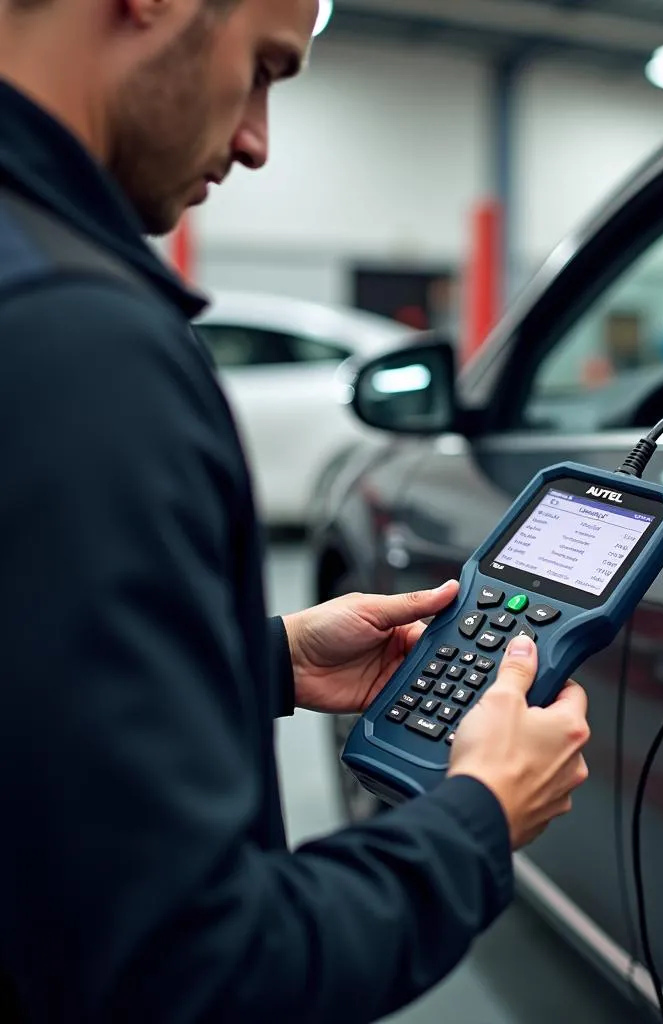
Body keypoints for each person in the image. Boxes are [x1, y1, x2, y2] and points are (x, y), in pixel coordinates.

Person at [0, 1, 591, 1021]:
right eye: (265, 69)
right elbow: (197, 975)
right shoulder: (78, 345)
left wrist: (262, 660)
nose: (257, 142)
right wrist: (479, 817)